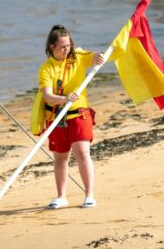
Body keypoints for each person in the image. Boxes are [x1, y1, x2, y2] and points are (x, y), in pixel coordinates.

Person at [38, 24, 104, 209]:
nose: (67, 50)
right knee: (60, 159)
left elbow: (95, 57)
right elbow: (47, 96)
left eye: (68, 45)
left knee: (82, 152)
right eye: (62, 47)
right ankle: (61, 197)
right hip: (57, 117)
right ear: (52, 47)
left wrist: (99, 56)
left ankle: (89, 194)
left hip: (79, 113)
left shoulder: (77, 57)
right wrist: (64, 98)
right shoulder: (46, 68)